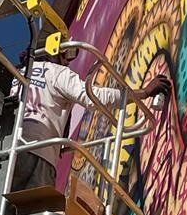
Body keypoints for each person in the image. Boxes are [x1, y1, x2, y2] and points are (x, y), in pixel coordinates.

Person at [11, 54, 169, 192]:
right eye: (66, 54)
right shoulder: (55, 72)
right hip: (39, 153)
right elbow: (93, 96)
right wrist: (143, 93)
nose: (67, 61)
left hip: (10, 152)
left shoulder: (15, 76)